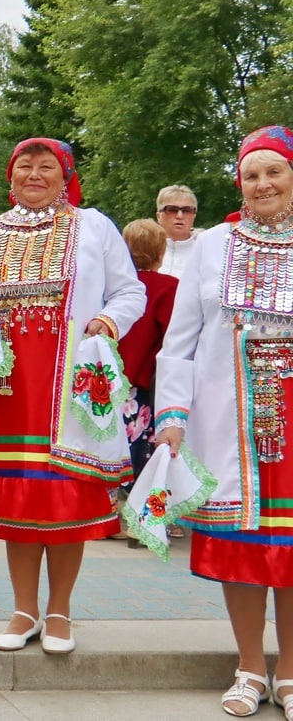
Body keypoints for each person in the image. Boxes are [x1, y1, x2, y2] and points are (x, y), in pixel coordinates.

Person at [0, 137, 145, 655]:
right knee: (18, 497)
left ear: (65, 175)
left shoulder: (93, 226)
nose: (34, 175)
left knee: (63, 499)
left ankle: (59, 611)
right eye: (24, 167)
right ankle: (22, 610)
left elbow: (131, 292)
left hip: (67, 389)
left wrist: (106, 320)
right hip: (7, 388)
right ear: (10, 178)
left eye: (46, 166)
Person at [154, 126, 293, 719]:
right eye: (251, 174)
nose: (262, 183)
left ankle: (290, 672)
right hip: (225, 416)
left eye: (274, 172)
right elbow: (179, 340)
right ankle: (249, 666)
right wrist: (173, 414)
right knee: (242, 545)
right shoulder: (213, 244)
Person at [115, 219, 179, 541]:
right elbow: (174, 336)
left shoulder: (115, 287)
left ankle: (109, 513)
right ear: (161, 250)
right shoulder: (169, 286)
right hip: (146, 383)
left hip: (112, 379)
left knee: (115, 447)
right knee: (149, 451)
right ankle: (146, 519)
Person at [156, 184, 200, 279]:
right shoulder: (145, 249)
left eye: (187, 210)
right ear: (159, 216)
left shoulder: (204, 250)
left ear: (194, 216)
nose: (180, 216)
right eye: (172, 210)